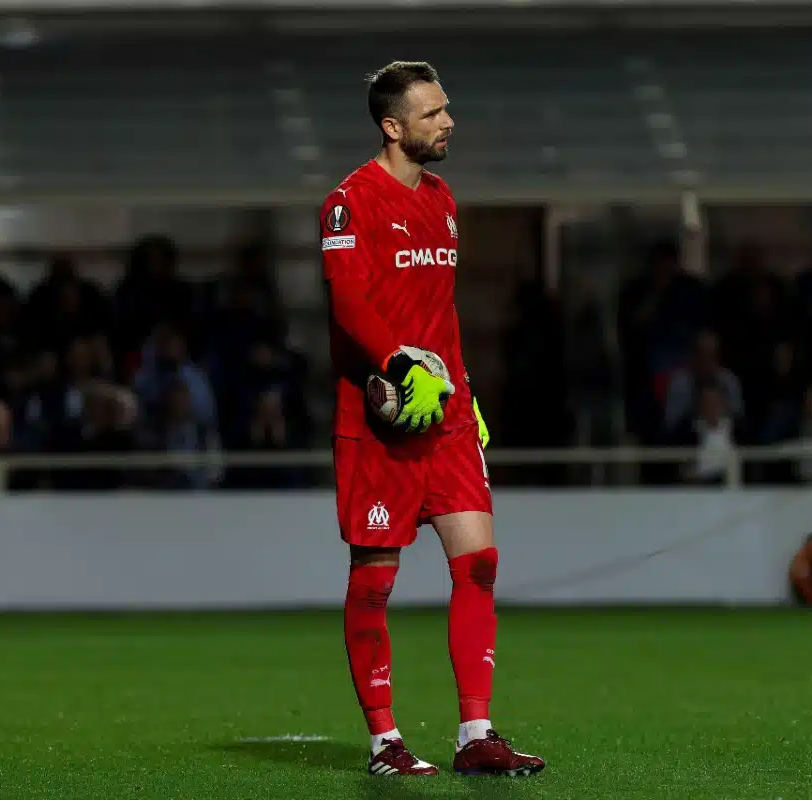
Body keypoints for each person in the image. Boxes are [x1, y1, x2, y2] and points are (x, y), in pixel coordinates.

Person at [319, 61, 546, 778]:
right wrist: (399, 365)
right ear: (393, 127)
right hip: (380, 418)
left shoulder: (444, 198)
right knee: (374, 581)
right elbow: (348, 304)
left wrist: (462, 387)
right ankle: (385, 742)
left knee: (479, 565)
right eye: (432, 114)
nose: (448, 122)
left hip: (445, 417)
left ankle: (475, 734)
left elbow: (439, 309)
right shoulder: (349, 202)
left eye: (446, 109)